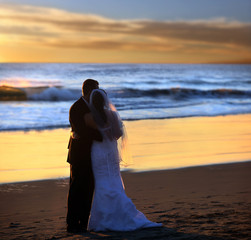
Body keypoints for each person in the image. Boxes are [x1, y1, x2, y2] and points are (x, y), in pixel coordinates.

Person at [84, 89, 162, 231]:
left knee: (101, 182)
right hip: (111, 150)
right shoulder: (113, 115)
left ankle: (102, 219)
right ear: (105, 101)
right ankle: (122, 211)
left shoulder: (89, 117)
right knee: (114, 179)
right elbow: (118, 134)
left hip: (98, 152)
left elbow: (86, 135)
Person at [66, 79, 103, 233]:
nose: (98, 93)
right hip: (78, 155)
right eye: (95, 90)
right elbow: (81, 131)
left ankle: (83, 222)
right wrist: (101, 135)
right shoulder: (76, 108)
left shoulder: (95, 107)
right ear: (88, 91)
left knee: (89, 189)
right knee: (76, 189)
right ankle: (72, 224)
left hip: (93, 154)